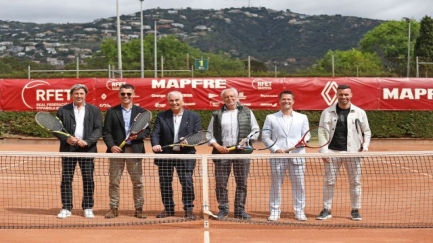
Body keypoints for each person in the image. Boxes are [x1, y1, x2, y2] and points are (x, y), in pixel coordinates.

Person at [316, 84, 371, 221]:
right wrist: (324, 151)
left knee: (355, 182)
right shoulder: (327, 112)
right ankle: (326, 209)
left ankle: (355, 210)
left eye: (346, 94)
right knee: (329, 182)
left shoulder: (360, 112)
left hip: (353, 153)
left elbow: (367, 131)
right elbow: (322, 132)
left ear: (351, 95)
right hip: (332, 152)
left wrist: (365, 145)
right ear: (336, 95)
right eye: (341, 94)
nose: (343, 97)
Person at [207, 87, 260, 220]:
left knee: (241, 182)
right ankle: (223, 210)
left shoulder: (247, 112)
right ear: (222, 99)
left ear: (237, 97)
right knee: (220, 183)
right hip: (222, 153)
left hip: (241, 153)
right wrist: (217, 146)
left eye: (232, 96)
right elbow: (209, 134)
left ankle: (239, 210)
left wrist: (246, 139)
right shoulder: (217, 114)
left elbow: (255, 130)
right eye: (226, 97)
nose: (229, 99)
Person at [150, 91, 201, 220]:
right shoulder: (162, 116)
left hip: (185, 155)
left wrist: (189, 142)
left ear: (182, 101)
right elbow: (155, 133)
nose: (174, 103)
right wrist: (155, 144)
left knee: (187, 182)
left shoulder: (194, 116)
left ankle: (189, 210)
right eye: (172, 101)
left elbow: (198, 135)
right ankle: (168, 209)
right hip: (166, 155)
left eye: (177, 100)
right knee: (165, 183)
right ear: (168, 102)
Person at [54, 84, 103, 219]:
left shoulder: (94, 110)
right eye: (76, 93)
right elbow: (56, 128)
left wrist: (87, 141)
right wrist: (66, 138)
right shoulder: (63, 110)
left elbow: (98, 129)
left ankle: (87, 207)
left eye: (81, 93)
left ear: (85, 95)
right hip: (68, 149)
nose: (79, 96)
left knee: (88, 178)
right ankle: (66, 207)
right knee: (66, 179)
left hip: (87, 150)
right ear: (72, 95)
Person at [103, 83, 151, 219]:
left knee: (138, 182)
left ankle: (139, 209)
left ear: (133, 95)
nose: (126, 96)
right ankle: (113, 208)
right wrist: (112, 145)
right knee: (114, 181)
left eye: (129, 94)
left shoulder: (142, 112)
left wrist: (138, 136)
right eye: (123, 93)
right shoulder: (112, 111)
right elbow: (106, 132)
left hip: (134, 150)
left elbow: (146, 130)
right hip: (116, 151)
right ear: (119, 94)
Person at [262, 90, 309, 222]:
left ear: (293, 101)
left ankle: (299, 211)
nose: (286, 101)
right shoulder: (270, 118)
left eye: (289, 99)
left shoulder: (302, 118)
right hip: (278, 156)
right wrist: (276, 149)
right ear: (279, 101)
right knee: (276, 184)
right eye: (284, 99)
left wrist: (302, 143)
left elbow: (307, 135)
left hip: (297, 156)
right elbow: (265, 136)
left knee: (299, 184)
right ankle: (275, 211)